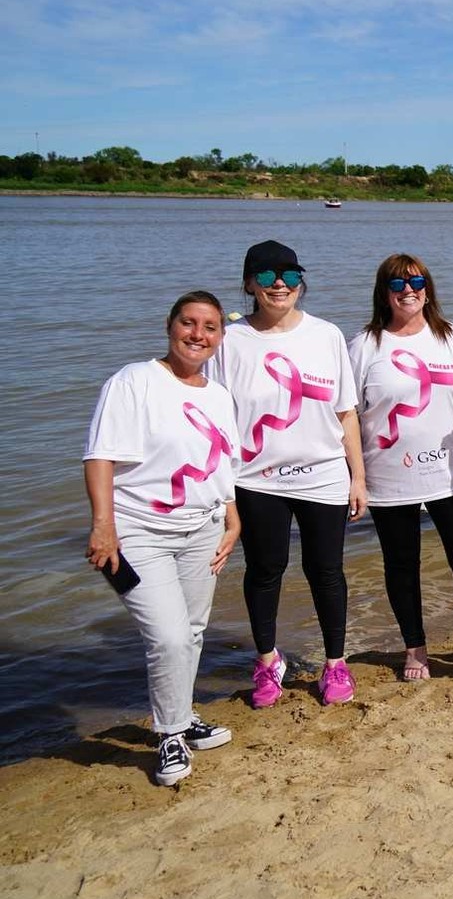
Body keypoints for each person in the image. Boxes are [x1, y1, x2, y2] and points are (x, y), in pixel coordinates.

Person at [84, 291, 242, 786]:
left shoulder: (218, 395)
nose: (198, 335)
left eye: (210, 327)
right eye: (188, 323)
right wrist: (103, 525)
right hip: (138, 533)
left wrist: (233, 518)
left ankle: (182, 716)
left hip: (203, 529)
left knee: (191, 630)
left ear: (220, 337)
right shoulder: (134, 381)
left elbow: (224, 463)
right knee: (168, 637)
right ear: (170, 326)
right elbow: (100, 456)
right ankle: (170, 733)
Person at [348, 254, 453, 681]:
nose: (408, 290)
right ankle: (415, 648)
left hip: (451, 471)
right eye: (397, 284)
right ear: (384, 293)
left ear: (428, 289)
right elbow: (347, 413)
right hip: (389, 474)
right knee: (402, 565)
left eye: (416, 282)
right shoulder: (365, 345)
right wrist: (354, 477)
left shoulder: (451, 336)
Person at [208, 240, 366, 708]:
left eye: (291, 275)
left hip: (324, 475)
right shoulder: (230, 341)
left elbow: (346, 412)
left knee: (326, 570)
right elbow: (215, 420)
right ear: (249, 284)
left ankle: (335, 664)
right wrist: (220, 492)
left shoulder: (327, 335)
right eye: (267, 275)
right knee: (264, 570)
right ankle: (267, 661)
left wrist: (358, 477)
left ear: (301, 283)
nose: (280, 284)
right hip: (255, 480)